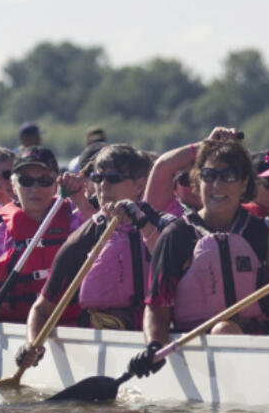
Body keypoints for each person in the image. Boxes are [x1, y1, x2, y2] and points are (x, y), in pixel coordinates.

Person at [128, 138, 269, 376]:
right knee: (226, 329)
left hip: (258, 333)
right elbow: (156, 308)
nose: (217, 185)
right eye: (209, 175)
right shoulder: (176, 235)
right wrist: (154, 345)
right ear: (198, 180)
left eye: (228, 176)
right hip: (200, 337)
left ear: (244, 182)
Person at [14, 145, 168, 370]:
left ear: (140, 185)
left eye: (114, 178)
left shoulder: (166, 226)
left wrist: (143, 226)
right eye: (98, 177)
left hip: (158, 339)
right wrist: (31, 344)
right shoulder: (84, 238)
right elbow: (41, 309)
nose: (103, 186)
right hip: (101, 339)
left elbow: (173, 268)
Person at [0, 147, 88, 325]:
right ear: (13, 186)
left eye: (44, 180)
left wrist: (81, 199)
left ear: (55, 186)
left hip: (72, 332)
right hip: (15, 333)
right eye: (26, 181)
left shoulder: (80, 225)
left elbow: (109, 241)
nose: (35, 188)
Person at [144, 126, 242, 219]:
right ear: (175, 189)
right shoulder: (166, 211)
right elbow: (163, 166)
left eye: (207, 176)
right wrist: (207, 145)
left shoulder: (232, 212)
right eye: (187, 180)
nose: (194, 185)